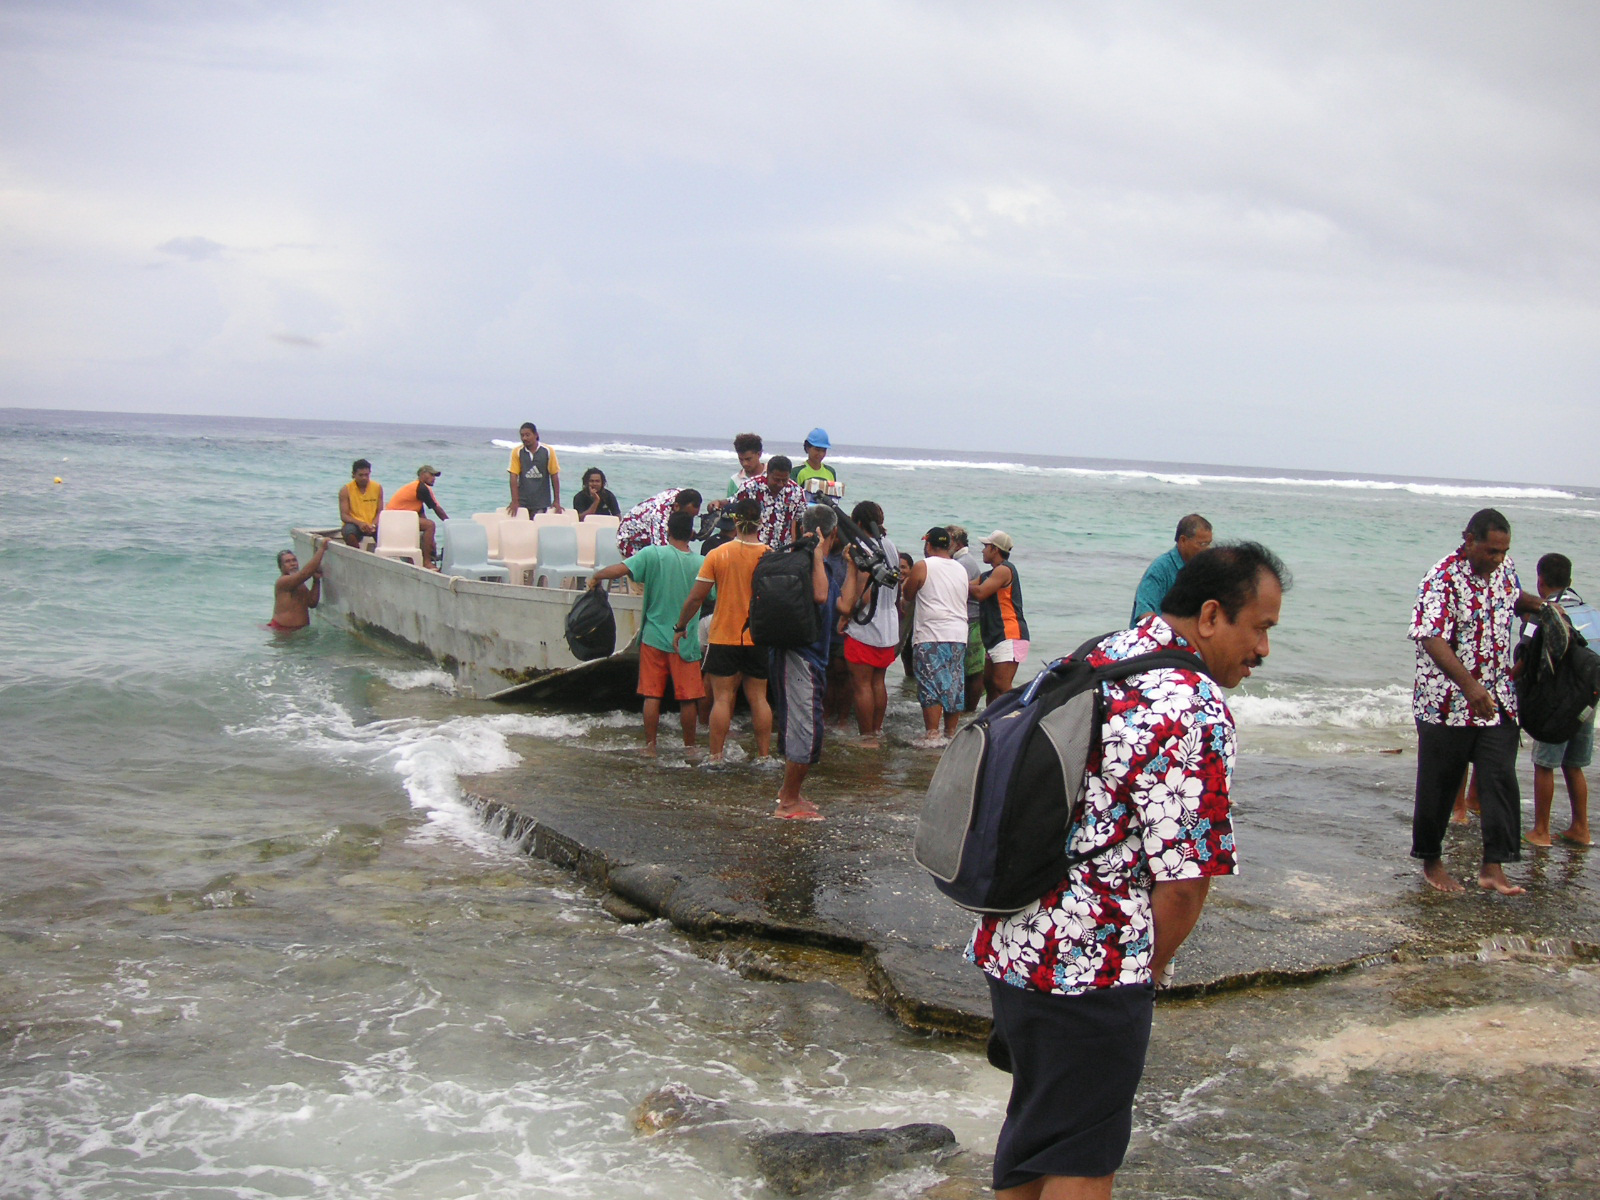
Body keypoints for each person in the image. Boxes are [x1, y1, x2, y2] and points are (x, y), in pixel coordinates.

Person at [968, 542, 1287, 1199]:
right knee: (1083, 1156)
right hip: (1096, 964)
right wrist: (1146, 973)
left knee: (1032, 1137)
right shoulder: (1192, 705)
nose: (1263, 650)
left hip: (1014, 938)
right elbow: (1186, 880)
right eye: (1260, 628)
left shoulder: (1097, 654)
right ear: (1209, 616)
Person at [1409, 508, 1544, 896]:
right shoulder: (1442, 577)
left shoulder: (1504, 569)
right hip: (1445, 701)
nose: (1498, 559)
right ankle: (1432, 862)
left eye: (1504, 551)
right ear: (1469, 540)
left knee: (1499, 776)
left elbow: (1511, 597)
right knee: (1440, 783)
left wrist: (1543, 608)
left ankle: (1493, 866)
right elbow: (1429, 636)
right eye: (1491, 551)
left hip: (1498, 697)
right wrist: (1469, 686)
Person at [588, 511, 705, 758]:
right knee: (687, 698)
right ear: (692, 535)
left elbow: (621, 569)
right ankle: (690, 747)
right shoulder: (700, 563)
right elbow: (711, 596)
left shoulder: (653, 554)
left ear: (668, 531)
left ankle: (650, 746)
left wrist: (597, 576)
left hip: (653, 635)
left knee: (652, 695)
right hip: (685, 639)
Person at [673, 498, 772, 763]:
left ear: (735, 521)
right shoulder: (769, 554)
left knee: (723, 699)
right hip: (757, 636)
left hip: (724, 635)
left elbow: (696, 598)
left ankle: (716, 757)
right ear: (761, 521)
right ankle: (764, 757)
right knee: (759, 699)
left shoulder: (719, 554)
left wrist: (680, 626)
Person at [769, 505, 845, 819]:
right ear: (835, 533)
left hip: (811, 656)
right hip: (799, 654)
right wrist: (814, 551)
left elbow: (844, 605)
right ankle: (788, 802)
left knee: (804, 724)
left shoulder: (824, 566)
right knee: (804, 727)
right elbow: (819, 596)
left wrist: (856, 569)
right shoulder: (806, 562)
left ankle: (791, 794)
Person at [1523, 552, 1592, 848]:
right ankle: (1580, 828)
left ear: (1540, 581)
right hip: (1588, 701)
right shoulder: (1591, 613)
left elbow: (1524, 656)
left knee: (1545, 764)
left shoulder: (1545, 612)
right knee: (1573, 765)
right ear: (1571, 580)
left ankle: (1541, 830)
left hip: (1556, 703)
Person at [837, 501, 900, 747]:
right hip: (888, 625)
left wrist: (845, 617)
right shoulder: (890, 546)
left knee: (861, 685)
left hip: (866, 625)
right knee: (878, 682)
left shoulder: (864, 547)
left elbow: (863, 592)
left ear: (858, 523)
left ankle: (867, 736)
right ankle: (876, 730)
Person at [901, 527, 971, 748]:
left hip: (931, 633)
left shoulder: (924, 565)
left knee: (930, 685)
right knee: (954, 684)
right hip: (958, 633)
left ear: (929, 545)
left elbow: (908, 594)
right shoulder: (960, 569)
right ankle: (950, 734)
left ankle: (932, 735)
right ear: (949, 546)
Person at [970, 530, 1030, 705]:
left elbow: (980, 593)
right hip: (995, 637)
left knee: (1001, 684)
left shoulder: (1004, 570)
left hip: (1010, 634)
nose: (982, 551)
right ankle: (992, 721)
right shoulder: (988, 575)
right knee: (989, 683)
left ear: (995, 549)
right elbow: (969, 586)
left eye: (985, 547)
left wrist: (966, 586)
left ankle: (1022, 713)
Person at [1131, 514, 1213, 625]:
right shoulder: (1160, 569)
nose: (1207, 550)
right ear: (1183, 540)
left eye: (1209, 544)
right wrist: (1173, 635)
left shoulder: (1203, 570)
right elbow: (1144, 613)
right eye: (1202, 544)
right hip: (1156, 638)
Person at [949, 526, 986, 712]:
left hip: (972, 620)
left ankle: (969, 710)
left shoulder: (963, 563)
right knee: (969, 669)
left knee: (973, 670)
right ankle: (966, 709)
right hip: (969, 619)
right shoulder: (962, 560)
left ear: (957, 543)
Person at [734, 455, 808, 546]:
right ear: (768, 473)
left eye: (784, 480)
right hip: (752, 548)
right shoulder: (750, 488)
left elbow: (800, 521)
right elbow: (735, 514)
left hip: (782, 552)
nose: (780, 484)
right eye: (776, 480)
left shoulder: (796, 492)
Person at [385, 465, 449, 564]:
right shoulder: (421, 488)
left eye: (435, 476)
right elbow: (436, 509)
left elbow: (422, 514)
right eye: (431, 475)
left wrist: (432, 540)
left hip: (399, 518)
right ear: (422, 474)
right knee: (430, 525)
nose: (434, 478)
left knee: (427, 528)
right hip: (394, 518)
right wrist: (449, 523)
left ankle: (423, 558)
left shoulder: (417, 488)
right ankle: (426, 562)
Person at [618, 489, 703, 558]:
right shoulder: (659, 517)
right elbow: (661, 550)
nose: (689, 520)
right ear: (676, 506)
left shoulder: (681, 495)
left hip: (650, 535)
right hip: (630, 541)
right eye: (687, 515)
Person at [505, 422, 562, 516]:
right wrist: (514, 501)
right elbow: (513, 476)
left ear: (536, 435)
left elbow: (554, 475)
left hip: (541, 502)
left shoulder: (548, 451)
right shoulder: (517, 452)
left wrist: (556, 501)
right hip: (522, 501)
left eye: (528, 435)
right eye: (522, 435)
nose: (524, 438)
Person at [270, 539, 326, 630]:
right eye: (287, 562)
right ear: (280, 566)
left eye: (294, 560)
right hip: (283, 631)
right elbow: (305, 573)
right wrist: (322, 549)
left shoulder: (298, 583)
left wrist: (316, 581)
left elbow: (312, 603)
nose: (292, 564)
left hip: (298, 631)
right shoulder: (283, 581)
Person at [337, 459, 384, 547]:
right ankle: (357, 554)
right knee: (349, 532)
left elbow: (380, 512)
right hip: (355, 524)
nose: (364, 478)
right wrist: (360, 523)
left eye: (366, 475)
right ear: (353, 475)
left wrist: (373, 524)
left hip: (372, 524)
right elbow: (344, 516)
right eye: (360, 475)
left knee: (386, 533)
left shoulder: (377, 487)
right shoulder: (345, 490)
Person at [794, 428, 838, 495]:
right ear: (807, 448)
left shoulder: (830, 472)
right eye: (817, 450)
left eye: (823, 450)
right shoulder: (796, 472)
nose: (820, 454)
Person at [727, 432, 765, 498]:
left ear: (759, 454)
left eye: (748, 459)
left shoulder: (773, 475)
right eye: (741, 459)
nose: (744, 464)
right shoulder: (735, 481)